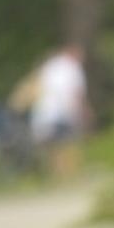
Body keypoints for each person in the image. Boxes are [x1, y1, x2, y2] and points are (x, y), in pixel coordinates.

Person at [29, 44, 89, 178]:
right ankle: (70, 173)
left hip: (44, 112)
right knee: (69, 144)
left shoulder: (50, 66)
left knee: (53, 146)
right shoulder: (73, 68)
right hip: (64, 112)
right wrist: (83, 112)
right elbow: (75, 93)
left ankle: (56, 174)